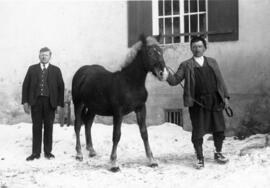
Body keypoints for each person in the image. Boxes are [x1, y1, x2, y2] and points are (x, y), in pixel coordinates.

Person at [166, 36, 230, 169]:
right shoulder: (186, 65)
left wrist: (226, 98)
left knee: (219, 129)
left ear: (205, 48)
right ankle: (200, 157)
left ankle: (218, 152)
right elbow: (175, 80)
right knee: (198, 131)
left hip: (215, 101)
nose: (197, 49)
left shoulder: (212, 62)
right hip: (197, 103)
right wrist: (166, 75)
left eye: (200, 46)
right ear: (191, 48)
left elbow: (220, 81)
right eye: (194, 47)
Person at [22, 47, 64, 161]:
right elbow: (25, 86)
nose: (43, 57)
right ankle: (35, 153)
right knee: (36, 127)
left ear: (50, 56)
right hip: (35, 102)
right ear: (38, 56)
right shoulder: (32, 69)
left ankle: (48, 152)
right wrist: (25, 102)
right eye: (41, 55)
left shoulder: (56, 70)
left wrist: (60, 104)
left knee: (49, 127)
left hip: (50, 103)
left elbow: (61, 87)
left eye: (46, 55)